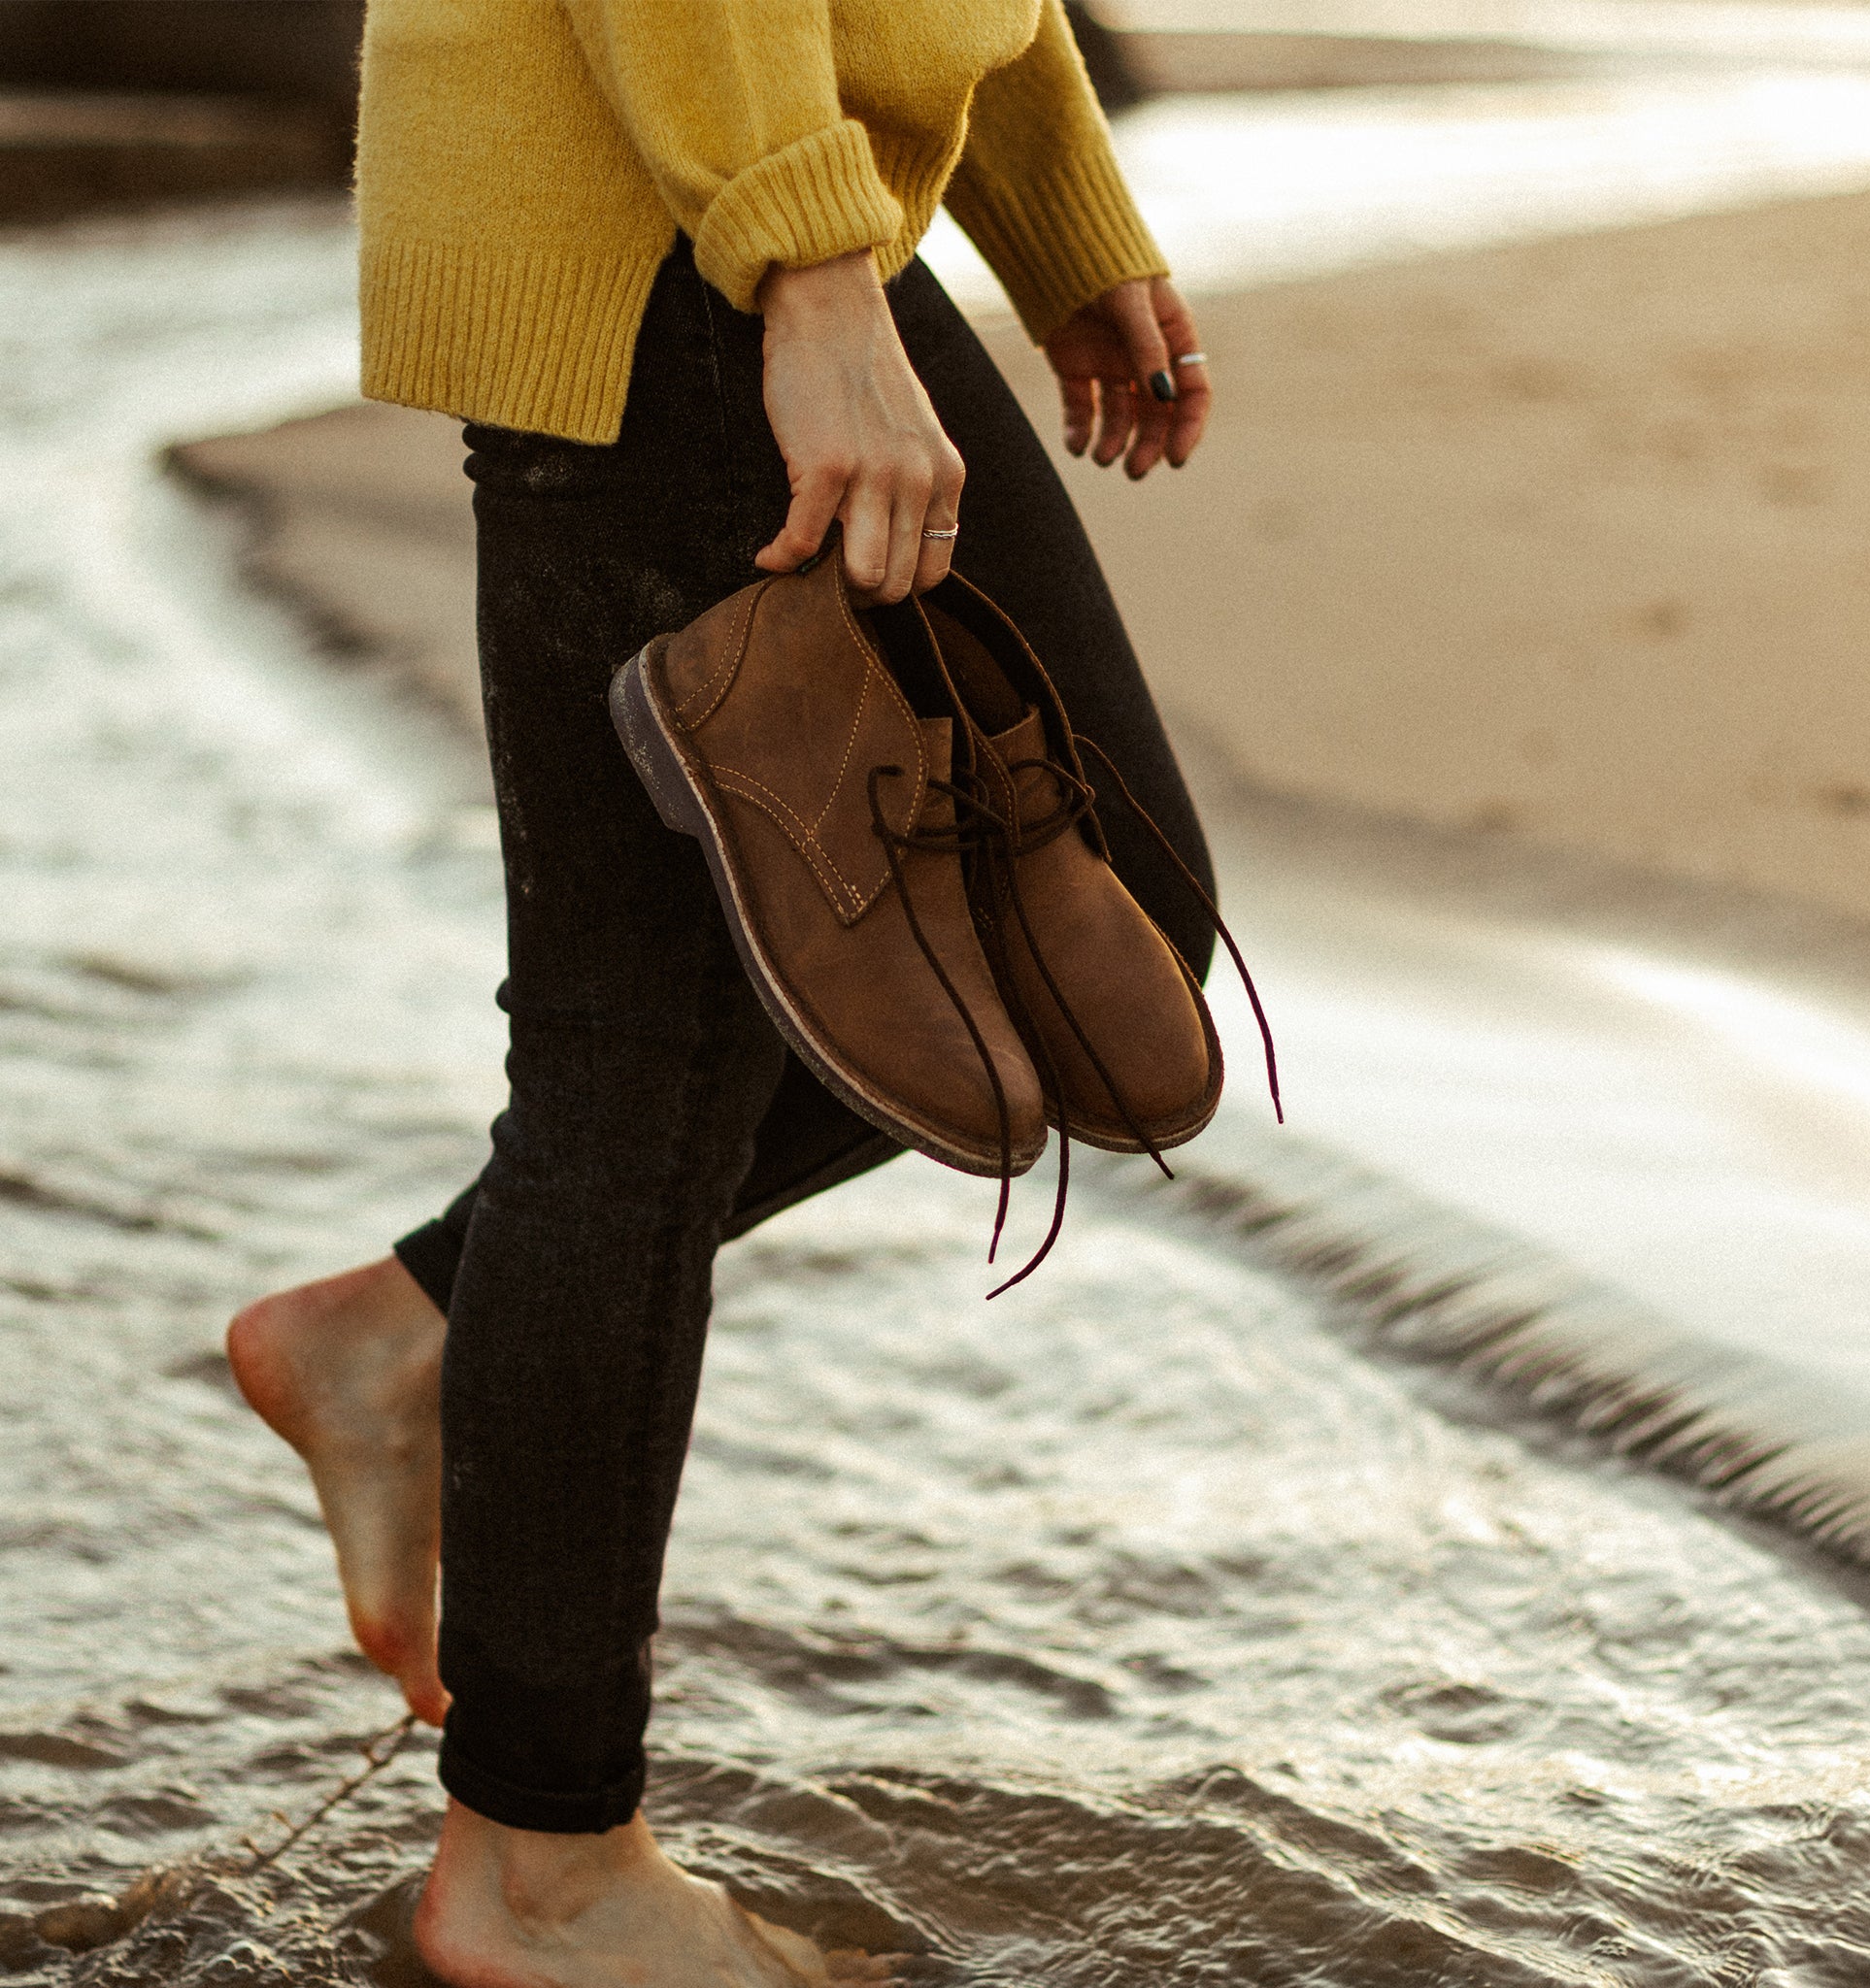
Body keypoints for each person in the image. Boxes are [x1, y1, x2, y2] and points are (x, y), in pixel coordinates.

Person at [227, 2, 1216, 1980]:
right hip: (680, 230)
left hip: (755, 209)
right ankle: (541, 1860)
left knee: (1105, 938)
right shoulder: (764, 250)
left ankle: (417, 1323)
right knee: (638, 1077)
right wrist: (807, 264)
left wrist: (1054, 206)